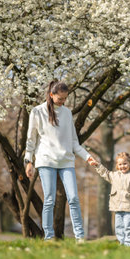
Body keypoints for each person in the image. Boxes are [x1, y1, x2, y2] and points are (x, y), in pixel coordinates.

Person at [24, 80, 97, 242]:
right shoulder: (37, 112)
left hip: (66, 162)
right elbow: (31, 139)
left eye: (65, 99)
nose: (63, 102)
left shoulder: (67, 113)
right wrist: (28, 161)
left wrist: (87, 157)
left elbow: (73, 142)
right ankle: (49, 237)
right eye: (60, 99)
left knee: (73, 198)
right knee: (49, 199)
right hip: (46, 160)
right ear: (51, 95)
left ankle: (80, 237)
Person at [92, 152, 130, 246]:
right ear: (117, 165)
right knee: (118, 227)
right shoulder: (115, 176)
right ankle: (122, 243)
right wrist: (97, 165)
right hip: (117, 208)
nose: (122, 166)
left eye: (125, 164)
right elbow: (105, 173)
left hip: (129, 207)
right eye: (120, 164)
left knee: (129, 227)